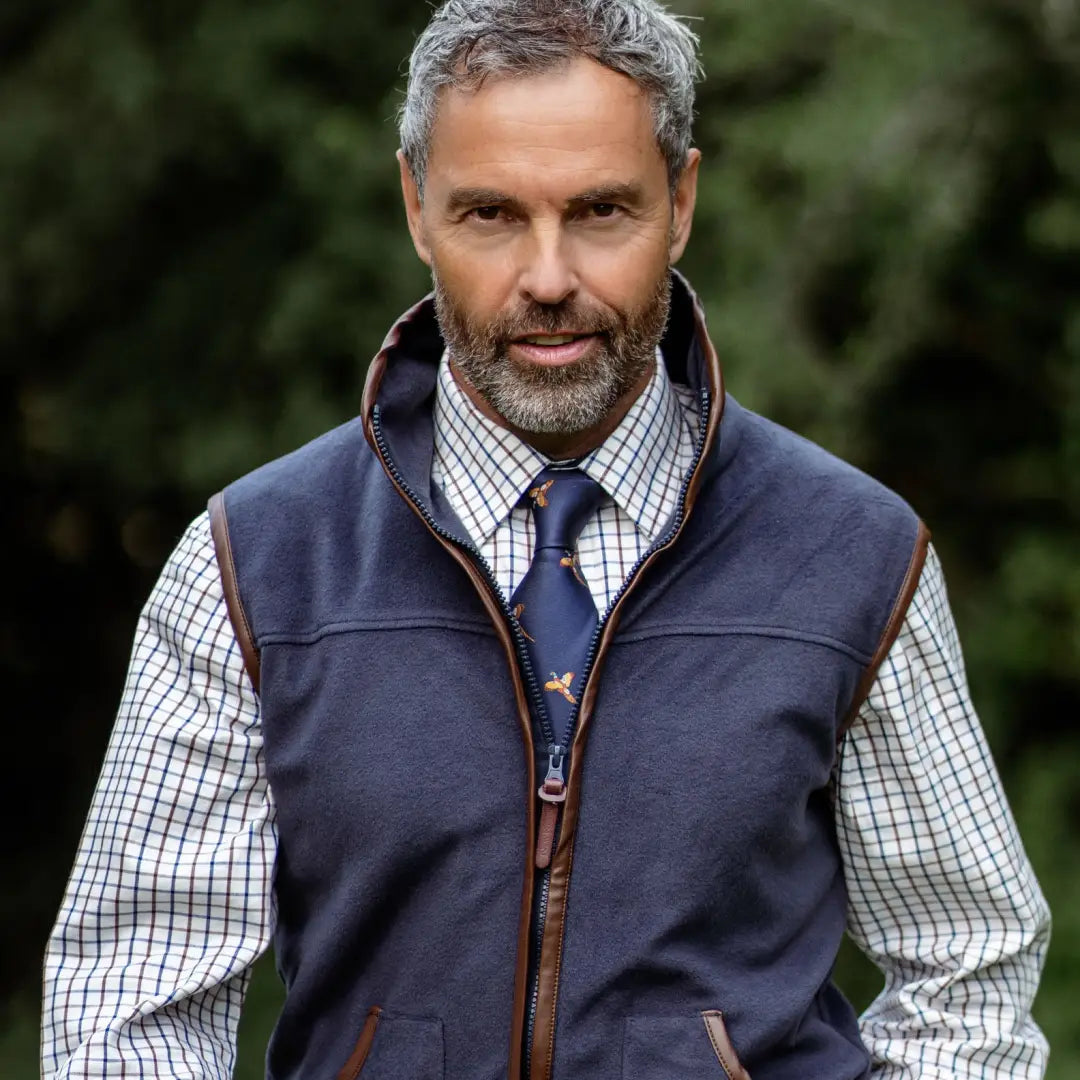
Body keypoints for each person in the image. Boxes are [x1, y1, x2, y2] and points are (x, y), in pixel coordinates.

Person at [42, 1, 1050, 1078]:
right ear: (416, 207)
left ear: (684, 201)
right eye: (490, 216)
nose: (550, 278)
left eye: (603, 210)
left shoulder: (853, 554)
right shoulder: (255, 565)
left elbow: (969, 967)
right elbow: (131, 999)